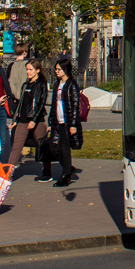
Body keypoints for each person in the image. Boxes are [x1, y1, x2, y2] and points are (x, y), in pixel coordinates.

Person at [42, 58, 82, 187]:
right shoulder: (57, 84)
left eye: (59, 69)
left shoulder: (71, 85)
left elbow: (75, 106)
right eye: (56, 69)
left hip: (67, 122)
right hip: (57, 121)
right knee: (53, 147)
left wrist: (73, 125)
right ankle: (68, 168)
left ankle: (65, 176)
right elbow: (54, 104)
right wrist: (50, 121)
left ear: (65, 70)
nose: (56, 71)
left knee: (64, 149)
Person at [8, 59, 49, 169]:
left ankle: (47, 171)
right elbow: (21, 104)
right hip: (23, 119)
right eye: (27, 69)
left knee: (42, 145)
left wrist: (34, 120)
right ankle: (8, 171)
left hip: (36, 119)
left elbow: (41, 103)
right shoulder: (25, 85)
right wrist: (16, 120)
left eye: (30, 69)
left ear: (37, 70)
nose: (28, 72)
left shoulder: (41, 84)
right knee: (17, 145)